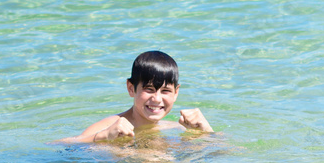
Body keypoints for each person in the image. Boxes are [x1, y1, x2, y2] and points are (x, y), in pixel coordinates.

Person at [60, 50, 213, 143]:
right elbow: (58, 146)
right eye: (149, 89)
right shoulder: (112, 125)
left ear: (176, 93)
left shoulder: (175, 128)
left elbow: (223, 155)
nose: (157, 99)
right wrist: (103, 136)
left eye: (165, 91)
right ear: (131, 88)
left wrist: (206, 130)